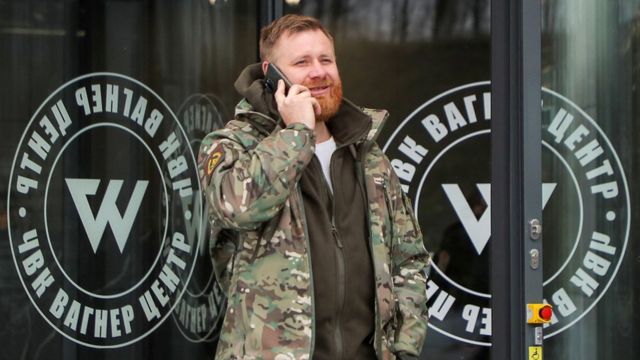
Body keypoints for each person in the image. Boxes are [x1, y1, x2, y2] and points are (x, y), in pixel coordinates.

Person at [198, 14, 429, 360]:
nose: (319, 72)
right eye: (302, 62)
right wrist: (297, 135)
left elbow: (409, 260)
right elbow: (237, 206)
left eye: (326, 60)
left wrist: (404, 349)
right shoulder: (231, 145)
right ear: (270, 73)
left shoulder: (366, 154)